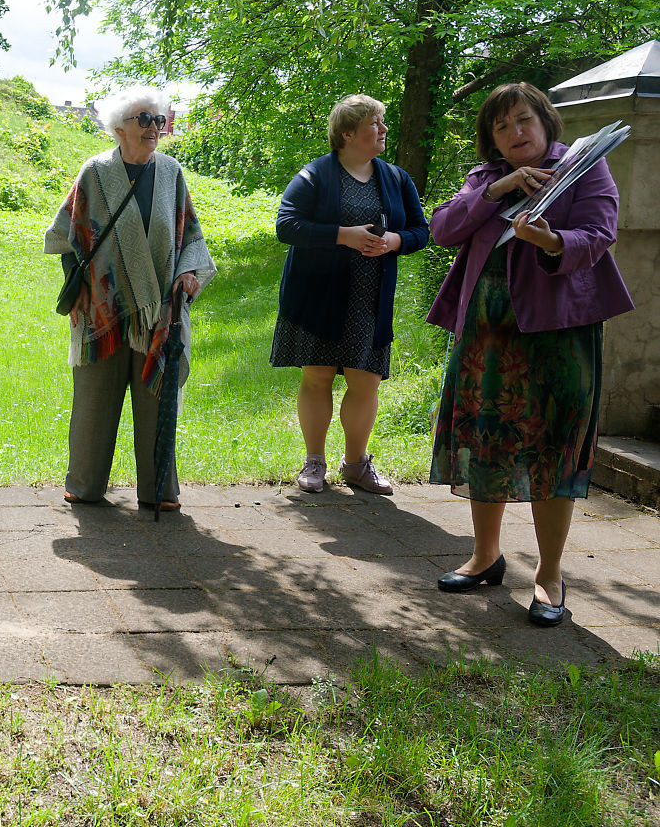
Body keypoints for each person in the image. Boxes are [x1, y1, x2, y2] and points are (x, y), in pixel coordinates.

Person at [427, 82, 633, 626]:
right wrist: (497, 190)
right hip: (487, 330)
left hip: (560, 330)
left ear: (544, 122)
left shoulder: (584, 166)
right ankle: (485, 556)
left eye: (524, 120)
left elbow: (599, 233)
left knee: (554, 446)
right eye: (502, 127)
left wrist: (549, 241)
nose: (515, 132)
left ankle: (549, 574)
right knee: (485, 437)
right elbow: (443, 228)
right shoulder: (486, 178)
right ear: (492, 140)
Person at [43, 87, 217, 511]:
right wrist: (78, 288)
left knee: (157, 400)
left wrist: (188, 273)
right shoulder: (95, 172)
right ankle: (84, 484)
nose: (153, 128)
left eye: (158, 120)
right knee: (94, 403)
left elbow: (190, 235)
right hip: (101, 309)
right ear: (119, 128)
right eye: (143, 119)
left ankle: (158, 490)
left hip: (158, 313)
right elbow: (67, 235)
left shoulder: (171, 172)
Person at [270, 94, 430, 495]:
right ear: (347, 133)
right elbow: (286, 226)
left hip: (369, 299)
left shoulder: (396, 178)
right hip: (317, 295)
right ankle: (314, 461)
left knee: (366, 381)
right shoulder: (314, 175)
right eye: (375, 123)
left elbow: (421, 231)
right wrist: (344, 236)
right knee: (317, 376)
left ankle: (356, 464)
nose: (384, 129)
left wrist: (395, 241)